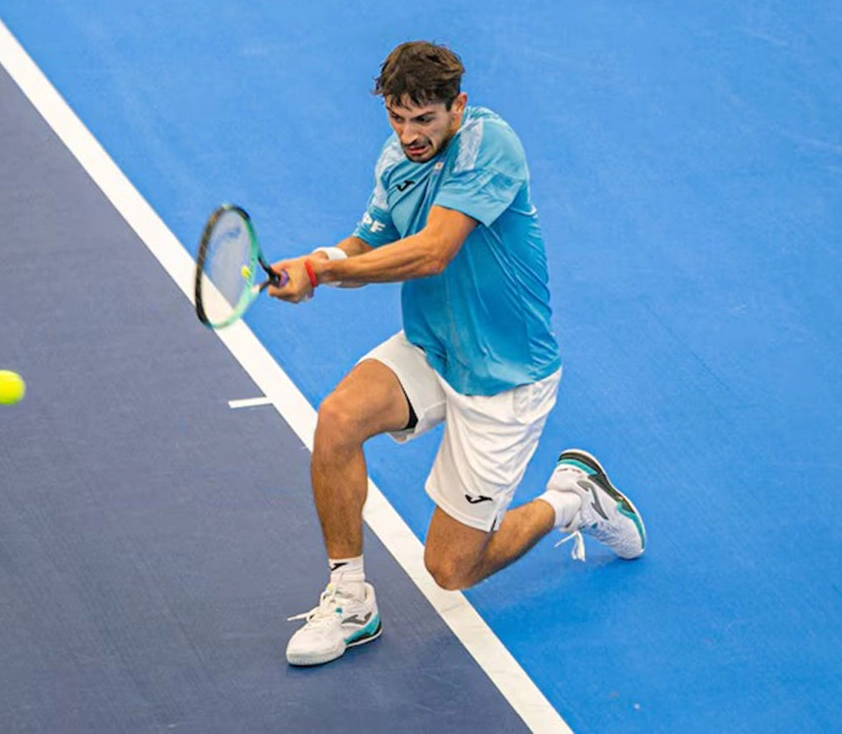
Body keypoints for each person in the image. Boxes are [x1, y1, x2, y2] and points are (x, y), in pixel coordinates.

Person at [268, 41, 646, 667]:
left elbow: (433, 252)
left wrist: (323, 273)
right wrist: (320, 262)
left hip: (505, 377)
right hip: (434, 347)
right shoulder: (396, 158)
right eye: (397, 117)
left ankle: (574, 499)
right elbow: (368, 244)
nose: (408, 134)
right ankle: (350, 598)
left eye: (424, 119)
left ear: (458, 106)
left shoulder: (490, 146)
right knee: (337, 419)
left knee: (451, 569)